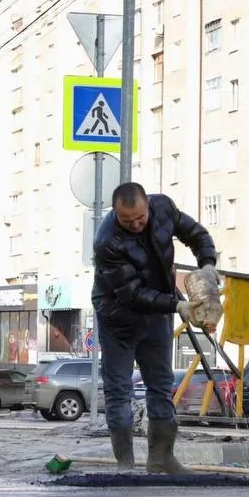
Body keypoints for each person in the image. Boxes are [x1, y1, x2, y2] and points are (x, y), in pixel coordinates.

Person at [92, 182, 219, 473]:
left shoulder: (164, 207)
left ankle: (161, 458)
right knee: (118, 390)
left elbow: (196, 234)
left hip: (158, 311)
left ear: (148, 204)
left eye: (140, 217)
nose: (135, 225)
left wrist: (208, 264)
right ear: (115, 213)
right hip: (118, 317)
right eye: (127, 221)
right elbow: (132, 295)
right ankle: (125, 464)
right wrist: (178, 306)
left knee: (161, 385)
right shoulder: (106, 241)